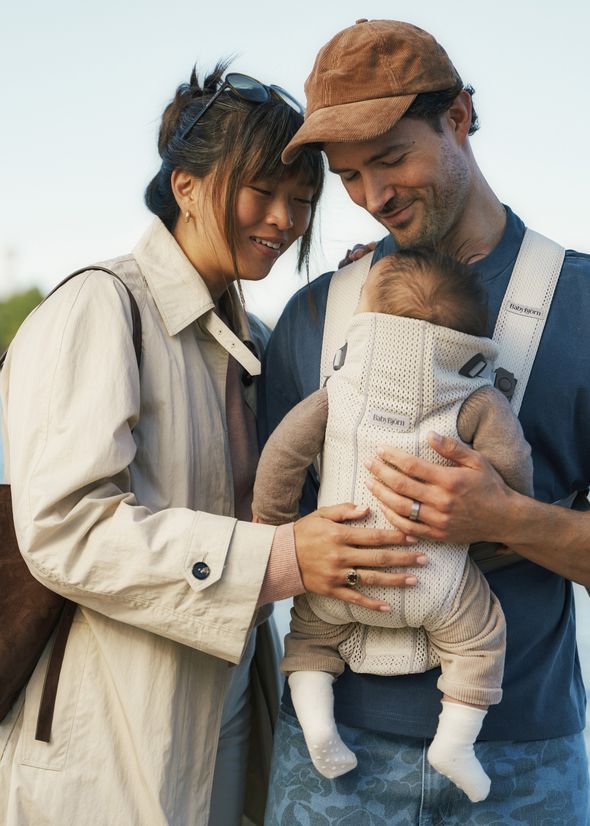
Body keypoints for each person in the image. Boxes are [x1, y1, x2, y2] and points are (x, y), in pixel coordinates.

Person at [0, 62, 422, 826]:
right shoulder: (99, 306)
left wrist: (373, 305)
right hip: (108, 737)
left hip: (230, 715)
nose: (285, 219)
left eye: (301, 199)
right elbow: (64, 529)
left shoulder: (255, 342)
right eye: (263, 190)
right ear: (187, 186)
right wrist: (284, 559)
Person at [261, 19, 590, 824]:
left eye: (391, 159)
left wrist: (507, 517)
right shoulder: (315, 315)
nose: (374, 198)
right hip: (328, 762)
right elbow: (258, 522)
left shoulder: (581, 306)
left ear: (460, 118)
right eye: (349, 176)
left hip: (521, 762)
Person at [254, 249, 533, 802]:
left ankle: (317, 726)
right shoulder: (477, 399)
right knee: (480, 640)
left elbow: (281, 458)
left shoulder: (337, 389)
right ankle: (454, 743)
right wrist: (508, 511)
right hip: (439, 579)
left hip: (341, 565)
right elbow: (512, 465)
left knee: (312, 635)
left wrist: (276, 526)